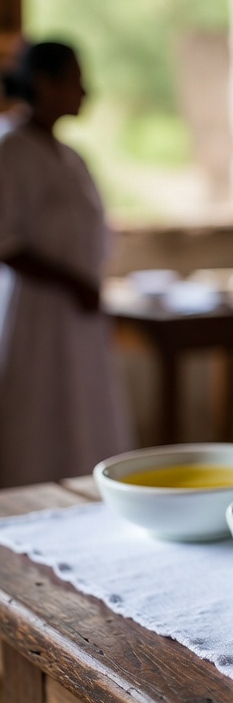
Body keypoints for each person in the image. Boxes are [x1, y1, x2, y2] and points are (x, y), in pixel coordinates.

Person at [0, 40, 132, 487]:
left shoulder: (69, 157)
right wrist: (70, 282)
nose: (86, 92)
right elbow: (6, 242)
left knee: (81, 419)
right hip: (34, 315)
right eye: (76, 81)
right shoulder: (10, 151)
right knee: (36, 424)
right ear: (44, 84)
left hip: (75, 317)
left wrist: (84, 283)